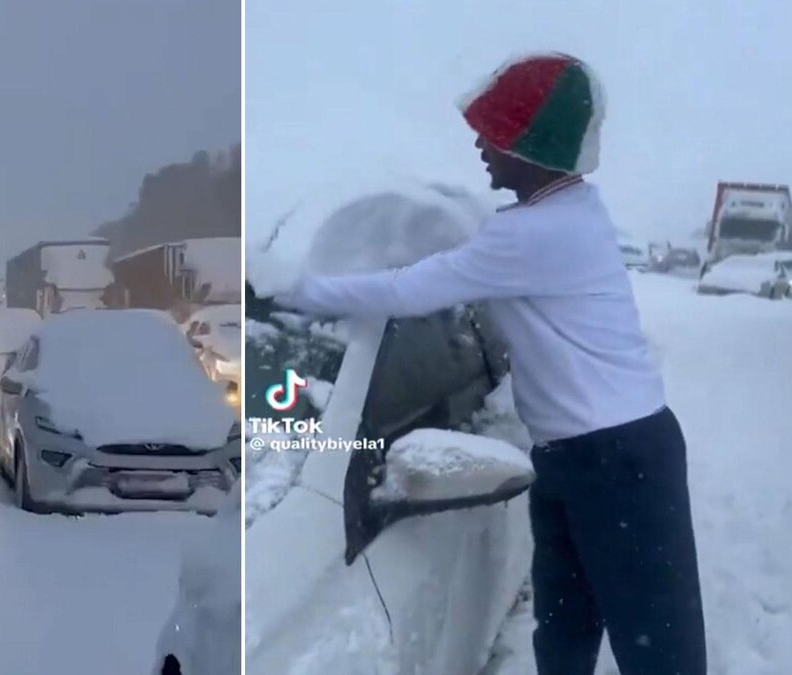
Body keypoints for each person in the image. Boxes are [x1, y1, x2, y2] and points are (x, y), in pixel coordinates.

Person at [269, 53, 707, 675]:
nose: (479, 143)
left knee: (658, 648)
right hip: (582, 453)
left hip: (616, 458)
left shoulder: (537, 234)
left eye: (495, 131)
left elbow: (406, 291)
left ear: (533, 146)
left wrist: (296, 289)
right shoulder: (564, 213)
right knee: (565, 631)